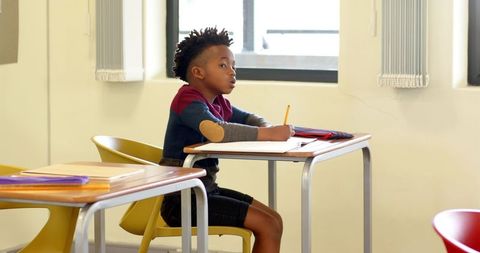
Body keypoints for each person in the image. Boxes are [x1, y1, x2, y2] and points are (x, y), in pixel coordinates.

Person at [160, 27, 294, 253]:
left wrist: (266, 127)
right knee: (268, 225)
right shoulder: (187, 99)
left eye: (234, 66)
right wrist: (268, 134)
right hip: (181, 201)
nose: (232, 72)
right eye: (223, 65)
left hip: (205, 191)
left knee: (274, 220)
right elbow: (216, 131)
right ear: (198, 72)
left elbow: (251, 118)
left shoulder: (219, 102)